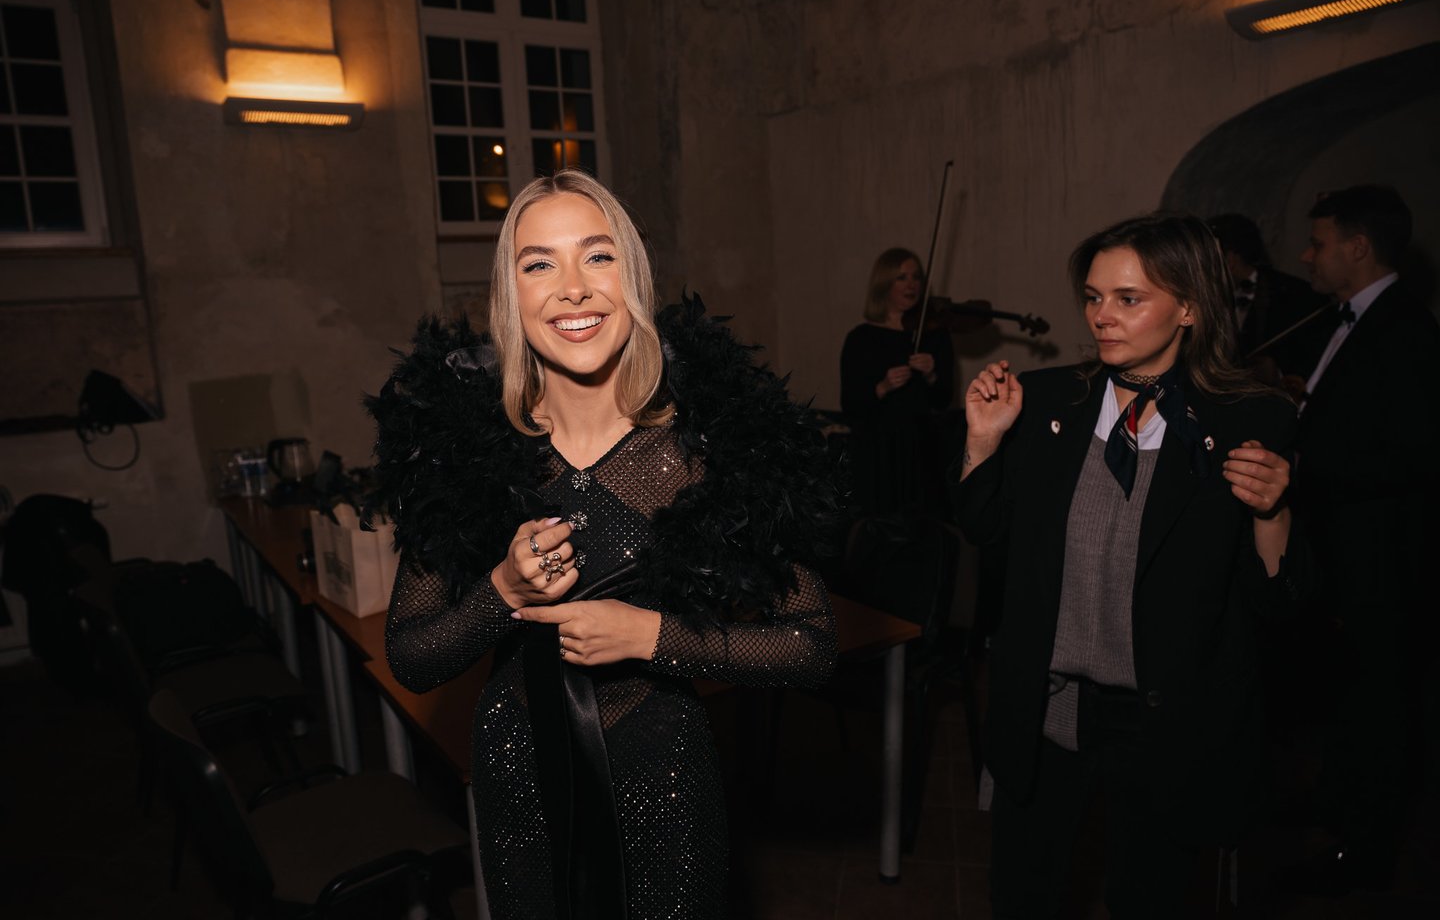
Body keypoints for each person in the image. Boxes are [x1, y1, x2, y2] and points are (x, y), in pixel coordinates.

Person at [366, 170, 839, 919]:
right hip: (517, 777)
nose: (573, 289)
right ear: (512, 297)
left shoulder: (712, 446)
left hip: (666, 778)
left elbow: (811, 647)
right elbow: (412, 658)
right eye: (539, 264)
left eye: (598, 255)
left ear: (633, 278)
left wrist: (652, 636)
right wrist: (502, 591)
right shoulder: (463, 450)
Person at [951, 213, 1300, 917]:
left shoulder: (1248, 417)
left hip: (1167, 722)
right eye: (1093, 297)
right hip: (1050, 708)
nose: (1101, 316)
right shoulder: (1049, 400)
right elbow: (986, 532)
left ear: (1190, 307)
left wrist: (1273, 511)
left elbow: (1278, 605)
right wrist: (982, 443)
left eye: (1128, 298)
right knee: (1025, 895)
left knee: (1149, 898)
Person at [1281, 184, 1440, 894]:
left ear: (1358, 247)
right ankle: (1335, 803)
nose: (1305, 256)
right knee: (1347, 693)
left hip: (1381, 559)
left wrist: (1301, 462)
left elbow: (1410, 453)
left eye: (1318, 243)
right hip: (1343, 552)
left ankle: (1365, 854)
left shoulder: (1406, 329)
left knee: (1380, 705)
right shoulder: (1348, 318)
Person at [839, 248, 955, 518]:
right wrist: (882, 387)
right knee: (880, 524)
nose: (911, 285)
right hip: (879, 451)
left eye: (916, 277)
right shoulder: (861, 338)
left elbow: (943, 399)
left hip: (923, 449)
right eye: (901, 277)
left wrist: (932, 375)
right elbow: (851, 405)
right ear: (884, 284)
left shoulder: (935, 335)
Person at [1206, 212, 1330, 387]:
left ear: (1231, 259)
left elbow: (1311, 358)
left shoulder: (1296, 296)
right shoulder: (1204, 296)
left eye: (1206, 260)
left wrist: (1277, 374)